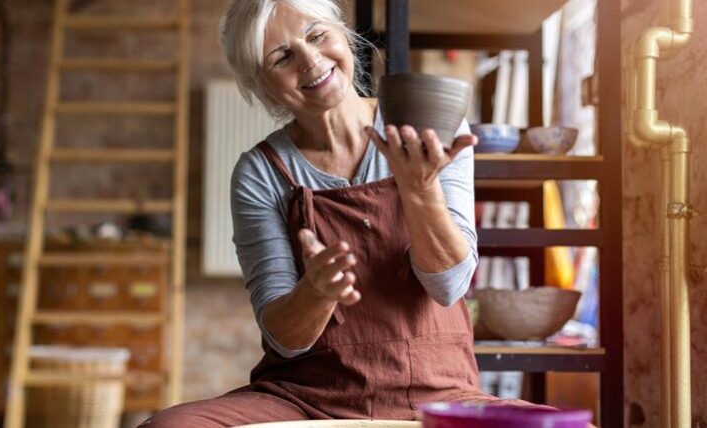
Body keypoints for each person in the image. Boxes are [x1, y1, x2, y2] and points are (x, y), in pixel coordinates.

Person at [139, 1, 530, 426]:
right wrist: (318, 291)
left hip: (441, 390)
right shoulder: (261, 172)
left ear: (343, 34)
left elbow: (450, 285)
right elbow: (284, 340)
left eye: (317, 35)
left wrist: (420, 190)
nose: (311, 60)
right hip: (306, 397)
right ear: (261, 84)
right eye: (282, 56)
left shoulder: (430, 127)